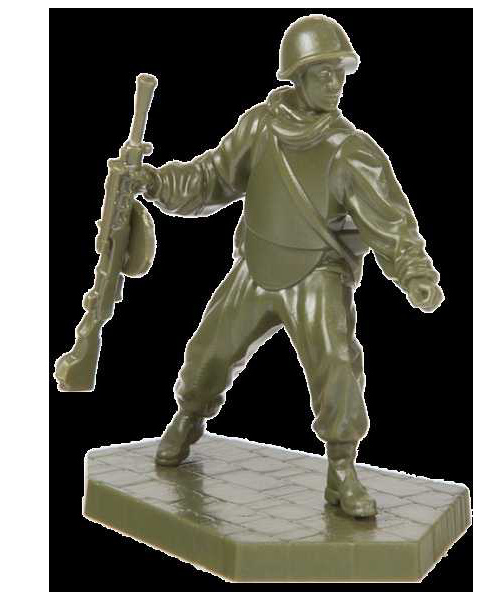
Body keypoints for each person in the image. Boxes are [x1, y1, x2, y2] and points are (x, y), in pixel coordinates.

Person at [130, 15, 443, 518]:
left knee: (337, 366)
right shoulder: (260, 125)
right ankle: (188, 417)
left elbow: (392, 222)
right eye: (324, 72)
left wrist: (416, 275)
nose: (336, 83)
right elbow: (212, 177)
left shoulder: (352, 151)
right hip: (255, 267)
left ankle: (341, 468)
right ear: (297, 75)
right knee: (208, 352)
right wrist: (156, 183)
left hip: (317, 274)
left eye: (340, 73)